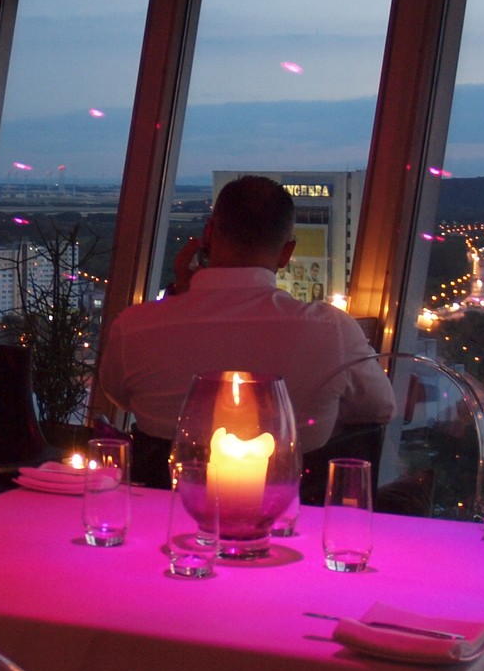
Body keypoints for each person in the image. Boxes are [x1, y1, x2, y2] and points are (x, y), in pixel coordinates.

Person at [96, 176, 394, 471]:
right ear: (286, 253)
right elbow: (380, 408)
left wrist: (179, 296)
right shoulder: (332, 330)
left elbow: (121, 396)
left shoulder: (136, 328)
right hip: (296, 511)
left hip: (164, 509)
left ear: (208, 234)